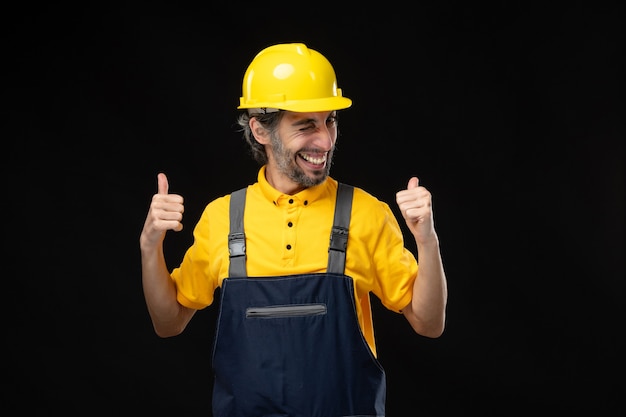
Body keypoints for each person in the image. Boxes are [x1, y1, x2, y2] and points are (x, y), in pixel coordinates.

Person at [140, 42, 448, 417]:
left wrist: (426, 239)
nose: (325, 141)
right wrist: (149, 246)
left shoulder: (366, 213)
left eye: (330, 121)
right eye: (306, 126)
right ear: (260, 130)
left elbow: (429, 323)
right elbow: (168, 322)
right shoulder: (223, 218)